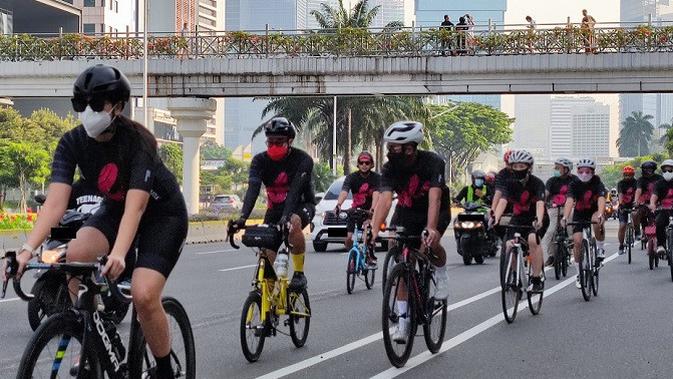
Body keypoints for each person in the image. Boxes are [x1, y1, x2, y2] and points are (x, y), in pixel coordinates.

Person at [1, 64, 188, 378]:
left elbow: (137, 208)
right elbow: (56, 203)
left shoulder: (138, 141)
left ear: (116, 107)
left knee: (143, 294)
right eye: (80, 104)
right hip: (115, 208)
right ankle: (92, 333)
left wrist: (118, 254)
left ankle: (166, 370)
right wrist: (26, 250)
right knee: (75, 254)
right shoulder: (72, 142)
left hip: (161, 215)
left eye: (96, 104)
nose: (87, 111)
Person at [371, 121, 451, 343]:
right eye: (391, 147)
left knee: (430, 245)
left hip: (434, 211)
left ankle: (441, 274)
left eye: (397, 147)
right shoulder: (388, 168)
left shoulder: (433, 162)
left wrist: (431, 229)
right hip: (406, 212)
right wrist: (375, 231)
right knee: (399, 257)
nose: (392, 152)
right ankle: (404, 322)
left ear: (411, 147)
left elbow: (435, 199)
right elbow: (385, 201)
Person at [233, 117, 315, 292]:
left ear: (290, 141)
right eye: (270, 142)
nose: (274, 146)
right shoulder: (259, 161)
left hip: (301, 205)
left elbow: (294, 192)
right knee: (266, 259)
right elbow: (253, 190)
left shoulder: (303, 160)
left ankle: (299, 274)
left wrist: (286, 217)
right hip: (274, 210)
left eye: (279, 142)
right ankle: (267, 306)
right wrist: (242, 217)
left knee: (293, 223)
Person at [493, 150, 547, 292]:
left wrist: (539, 220)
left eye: (521, 166)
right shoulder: (509, 184)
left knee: (532, 240)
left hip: (535, 218)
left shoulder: (537, 183)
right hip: (517, 219)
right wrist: (496, 217)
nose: (518, 170)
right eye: (515, 167)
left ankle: (536, 278)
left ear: (529, 167)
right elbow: (503, 201)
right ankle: (517, 273)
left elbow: (540, 204)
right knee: (509, 245)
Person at [562, 158, 606, 289]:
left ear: (593, 172)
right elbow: (569, 201)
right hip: (580, 213)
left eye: (588, 171)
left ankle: (600, 248)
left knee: (597, 222)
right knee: (577, 241)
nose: (584, 174)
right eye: (581, 171)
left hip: (594, 210)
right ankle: (578, 273)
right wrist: (565, 217)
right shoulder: (574, 184)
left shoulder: (597, 181)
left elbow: (601, 198)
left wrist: (600, 214)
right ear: (577, 171)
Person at [335, 151, 380, 266]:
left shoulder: (376, 178)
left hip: (370, 212)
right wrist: (339, 205)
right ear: (358, 164)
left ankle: (369, 254)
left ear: (371, 164)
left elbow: (376, 195)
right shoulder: (351, 177)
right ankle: (353, 256)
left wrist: (372, 210)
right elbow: (344, 191)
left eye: (367, 162)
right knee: (349, 239)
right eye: (361, 162)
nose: (364, 165)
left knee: (367, 232)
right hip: (355, 211)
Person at [541, 158, 574, 266]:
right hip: (554, 208)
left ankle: (571, 240)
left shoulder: (574, 180)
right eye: (555, 167)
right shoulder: (551, 181)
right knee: (550, 231)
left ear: (566, 169)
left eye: (558, 168)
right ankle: (551, 255)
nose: (555, 169)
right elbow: (545, 194)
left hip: (570, 207)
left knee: (570, 217)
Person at [649, 159, 673, 256]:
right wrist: (652, 205)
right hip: (663, 210)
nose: (667, 173)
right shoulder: (659, 184)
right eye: (665, 171)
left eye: (670, 170)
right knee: (658, 223)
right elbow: (654, 197)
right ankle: (660, 245)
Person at [634, 161, 662, 242]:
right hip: (644, 203)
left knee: (654, 219)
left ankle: (658, 237)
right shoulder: (640, 180)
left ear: (653, 169)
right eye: (646, 169)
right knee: (637, 214)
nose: (648, 171)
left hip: (658, 203)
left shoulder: (659, 178)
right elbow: (638, 190)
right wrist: (636, 200)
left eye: (650, 169)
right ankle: (640, 232)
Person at [617, 165, 637, 255]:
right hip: (623, 206)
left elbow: (638, 193)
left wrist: (637, 203)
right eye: (626, 175)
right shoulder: (621, 183)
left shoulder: (636, 183)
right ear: (623, 175)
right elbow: (620, 194)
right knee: (622, 226)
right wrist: (621, 204)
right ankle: (621, 245)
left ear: (633, 175)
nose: (628, 177)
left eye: (630, 175)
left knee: (635, 215)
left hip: (634, 205)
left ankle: (637, 232)